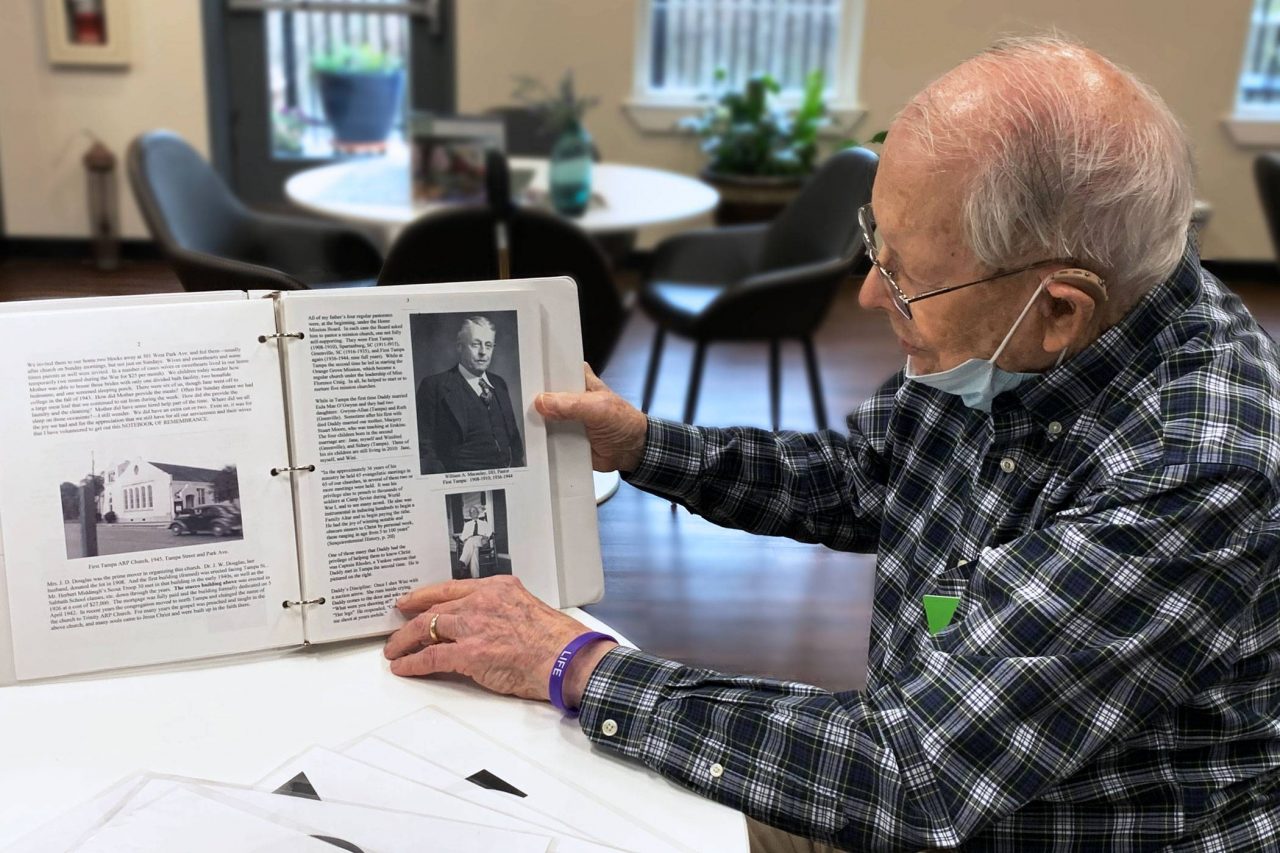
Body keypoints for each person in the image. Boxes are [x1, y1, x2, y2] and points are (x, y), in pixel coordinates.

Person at [384, 37, 1280, 851]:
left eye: (904, 279)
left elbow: (915, 773)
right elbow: (865, 478)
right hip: (909, 775)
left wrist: (576, 663)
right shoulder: (1010, 337)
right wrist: (647, 444)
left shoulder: (1196, 464)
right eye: (874, 250)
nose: (867, 299)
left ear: (1058, 311)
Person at [417, 315, 525, 474]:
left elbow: (514, 441)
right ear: (460, 347)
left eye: (488, 345)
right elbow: (425, 447)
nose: (483, 352)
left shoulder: (499, 384)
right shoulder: (434, 386)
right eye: (476, 344)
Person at [453, 504, 494, 580]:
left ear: (477, 513)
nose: (473, 513)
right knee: (474, 550)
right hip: (471, 542)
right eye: (471, 512)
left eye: (475, 511)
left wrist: (486, 537)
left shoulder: (484, 523)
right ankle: (475, 577)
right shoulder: (467, 525)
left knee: (472, 541)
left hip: (481, 540)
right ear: (470, 515)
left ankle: (462, 563)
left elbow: (490, 532)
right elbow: (463, 536)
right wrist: (465, 539)